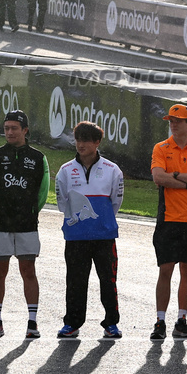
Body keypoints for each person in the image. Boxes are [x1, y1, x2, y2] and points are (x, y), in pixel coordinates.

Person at [0, 110, 49, 338]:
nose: (9, 132)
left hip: (27, 224)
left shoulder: (38, 158)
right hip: (0, 223)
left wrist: (28, 211)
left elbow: (42, 192)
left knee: (28, 271)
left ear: (25, 130)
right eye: (6, 128)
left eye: (14, 128)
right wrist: (0, 210)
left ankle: (32, 323)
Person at [55, 121, 124, 339]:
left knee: (108, 280)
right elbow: (61, 203)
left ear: (97, 142)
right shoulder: (65, 171)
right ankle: (72, 323)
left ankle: (111, 323)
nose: (81, 144)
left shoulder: (113, 170)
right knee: (75, 281)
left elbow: (116, 203)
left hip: (104, 235)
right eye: (77, 139)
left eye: (86, 140)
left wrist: (100, 220)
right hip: (76, 236)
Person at [149, 103, 187, 340]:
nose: (173, 125)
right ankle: (160, 321)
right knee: (165, 269)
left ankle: (182, 320)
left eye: (178, 121)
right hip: (168, 217)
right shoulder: (161, 148)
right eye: (171, 121)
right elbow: (158, 177)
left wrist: (173, 177)